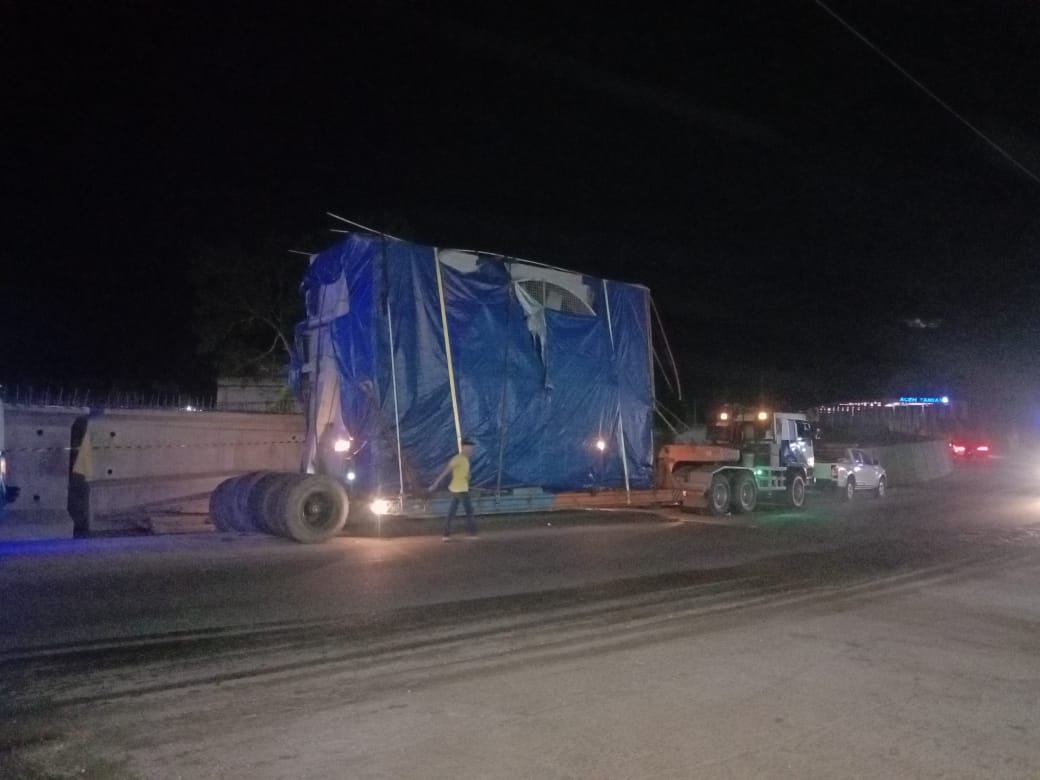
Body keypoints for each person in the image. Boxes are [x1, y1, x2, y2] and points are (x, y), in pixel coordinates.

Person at [429, 438, 477, 540]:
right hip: (460, 490)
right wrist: (435, 484)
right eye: (470, 448)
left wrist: (468, 477)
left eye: (472, 448)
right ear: (464, 447)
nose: (471, 450)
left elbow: (465, 475)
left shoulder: (466, 460)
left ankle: (446, 534)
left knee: (452, 512)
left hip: (459, 489)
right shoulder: (457, 459)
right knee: (469, 510)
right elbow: (446, 471)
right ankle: (471, 533)